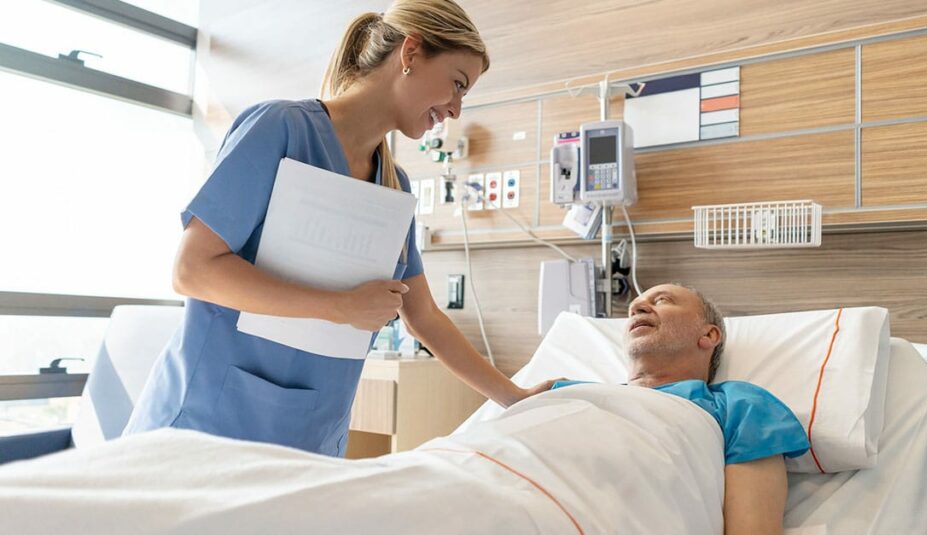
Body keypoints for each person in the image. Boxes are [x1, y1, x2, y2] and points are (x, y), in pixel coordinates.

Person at [124, 0, 556, 456]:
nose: (455, 109)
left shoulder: (392, 185)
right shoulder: (280, 130)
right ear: (410, 54)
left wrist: (516, 399)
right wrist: (339, 307)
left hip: (310, 436)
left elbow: (423, 315)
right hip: (211, 420)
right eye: (456, 84)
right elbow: (193, 270)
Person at [551, 283, 810, 535]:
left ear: (709, 335)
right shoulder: (579, 393)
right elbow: (519, 401)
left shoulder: (739, 404)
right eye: (634, 307)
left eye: (662, 300)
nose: (637, 306)